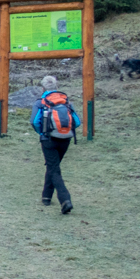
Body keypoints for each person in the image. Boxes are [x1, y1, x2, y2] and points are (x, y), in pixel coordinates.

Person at [31, 75, 80, 214]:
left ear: (43, 88)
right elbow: (77, 122)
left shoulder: (40, 102)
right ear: (57, 87)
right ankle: (46, 197)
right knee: (53, 166)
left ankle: (65, 199)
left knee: (54, 168)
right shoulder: (66, 102)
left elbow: (34, 121)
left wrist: (42, 133)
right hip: (66, 139)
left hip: (48, 139)